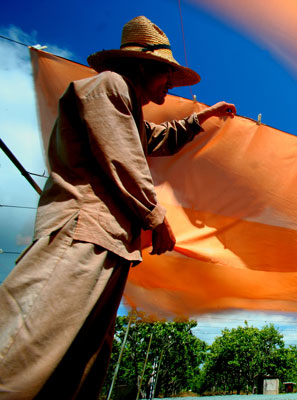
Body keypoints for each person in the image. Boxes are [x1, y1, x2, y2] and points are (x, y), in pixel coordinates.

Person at [0, 16, 235, 399]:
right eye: (166, 77)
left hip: (109, 243)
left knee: (78, 363)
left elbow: (154, 139)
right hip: (82, 233)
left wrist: (203, 118)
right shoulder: (109, 86)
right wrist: (157, 219)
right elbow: (124, 158)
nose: (169, 87)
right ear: (143, 66)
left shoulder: (124, 104)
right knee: (27, 345)